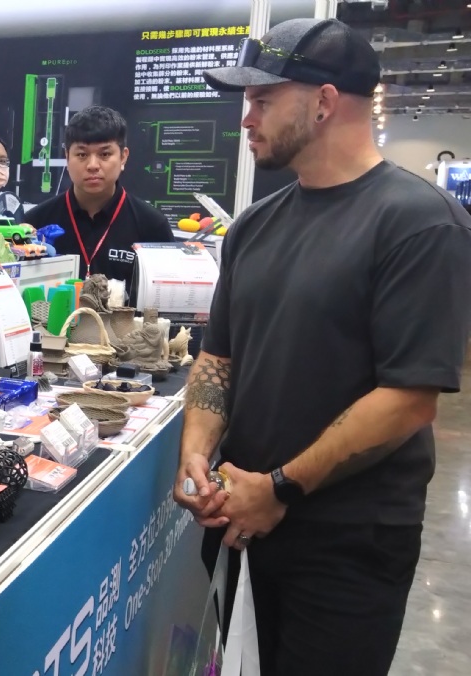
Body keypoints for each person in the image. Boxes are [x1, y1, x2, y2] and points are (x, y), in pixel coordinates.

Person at [173, 18, 471, 676]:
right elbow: (219, 359)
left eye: (262, 100)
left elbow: (408, 398)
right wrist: (196, 452)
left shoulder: (420, 224)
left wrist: (279, 488)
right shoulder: (253, 227)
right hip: (243, 523)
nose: (246, 119)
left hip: (347, 545)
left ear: (324, 101)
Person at [22, 106, 173, 287]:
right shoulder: (36, 222)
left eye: (105, 154)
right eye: (82, 154)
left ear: (123, 157)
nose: (93, 165)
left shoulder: (152, 226)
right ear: (67, 157)